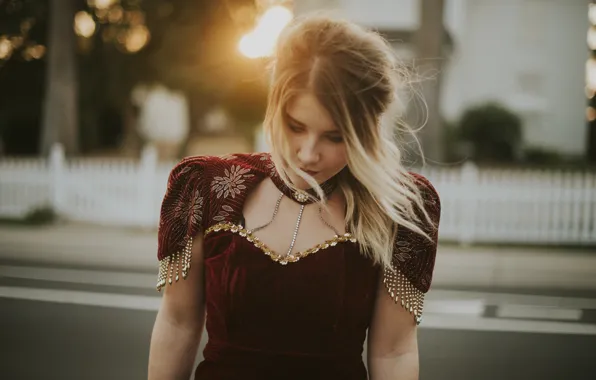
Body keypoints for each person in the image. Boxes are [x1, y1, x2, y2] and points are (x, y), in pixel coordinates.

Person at [148, 13, 441, 380]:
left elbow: (394, 352)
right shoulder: (206, 187)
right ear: (275, 105)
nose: (307, 154)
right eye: (296, 126)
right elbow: (177, 323)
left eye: (335, 137)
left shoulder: (399, 211)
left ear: (369, 130)